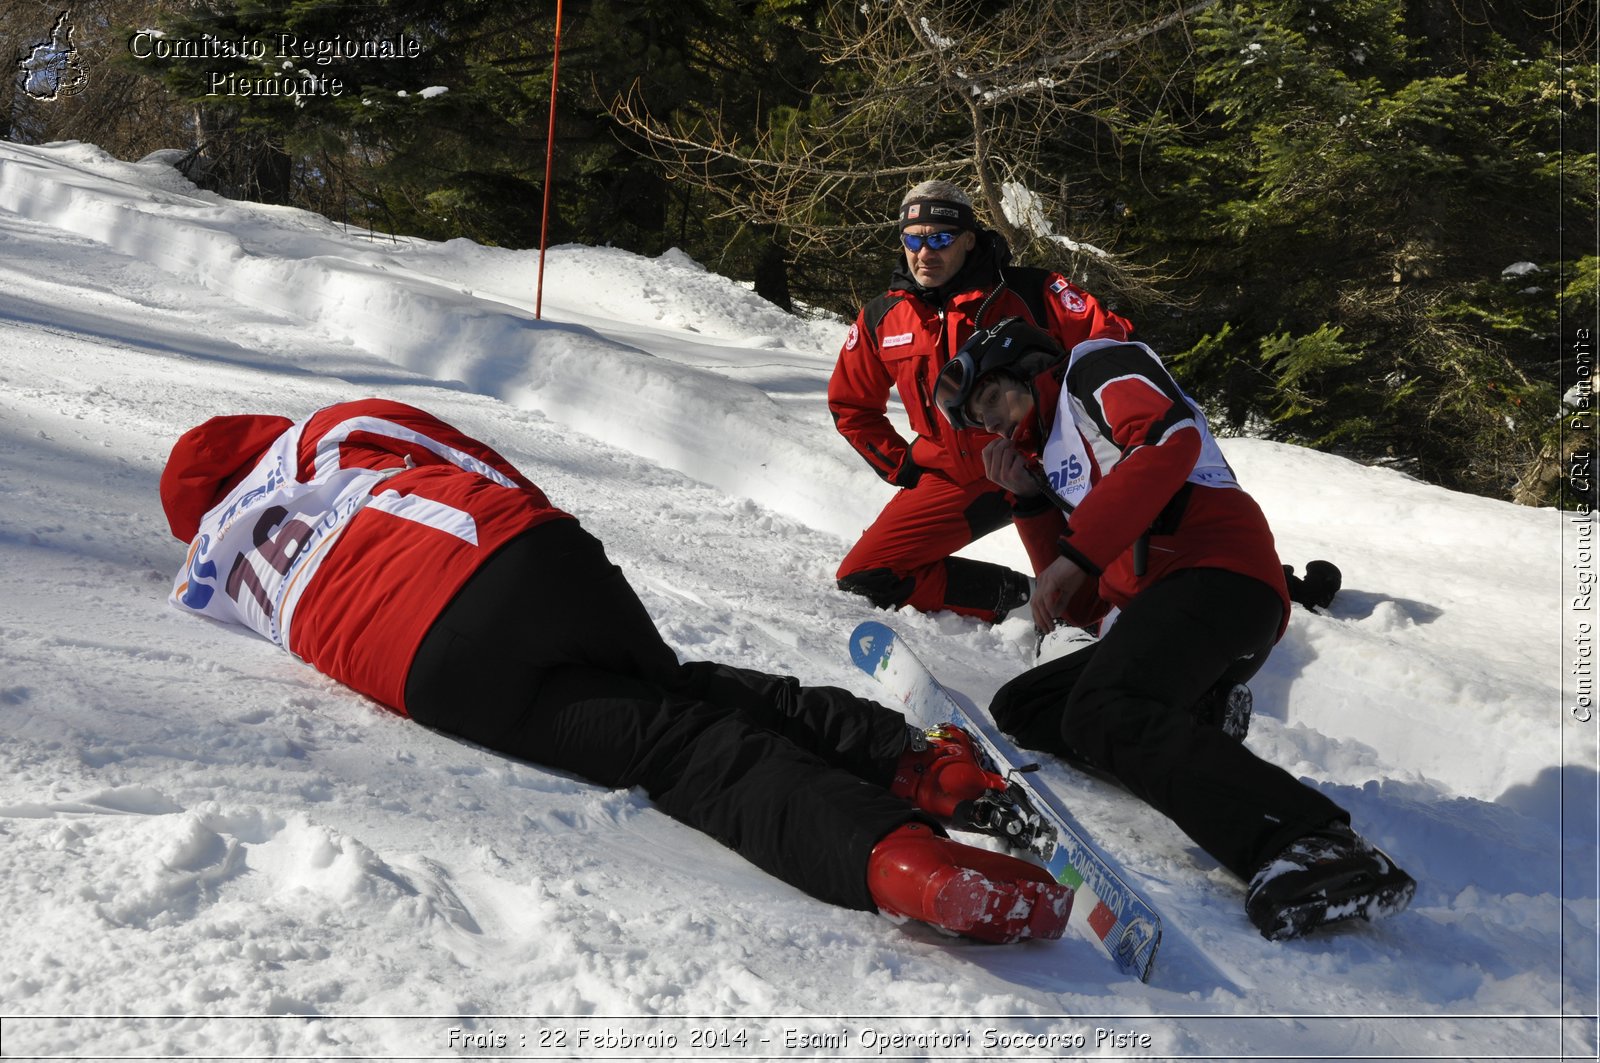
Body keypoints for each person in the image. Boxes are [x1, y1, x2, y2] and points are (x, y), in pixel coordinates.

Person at [158, 397, 1073, 944]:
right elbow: (474, 460)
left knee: (677, 748)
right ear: (258, 434)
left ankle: (906, 868)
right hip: (513, 557)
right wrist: (545, 539)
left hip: (433, 670)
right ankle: (926, 768)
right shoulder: (324, 432)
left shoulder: (213, 576)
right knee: (680, 685)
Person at [931, 318, 1415, 940]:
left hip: (1223, 577)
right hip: (1169, 609)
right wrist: (1028, 499)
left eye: (993, 398)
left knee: (1103, 708)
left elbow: (1170, 443)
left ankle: (1316, 842)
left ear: (1028, 368)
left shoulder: (1095, 367)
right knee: (1032, 705)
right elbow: (1077, 602)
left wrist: (1072, 561)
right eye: (979, 418)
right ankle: (1199, 721)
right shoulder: (1052, 456)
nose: (992, 422)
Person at [827, 179, 1135, 623]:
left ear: (969, 240)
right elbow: (849, 405)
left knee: (1086, 608)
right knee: (866, 575)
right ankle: (1019, 600)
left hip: (1045, 464)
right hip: (958, 479)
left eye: (940, 238)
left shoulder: (1028, 292)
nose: (924, 252)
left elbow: (1114, 341)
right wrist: (902, 464)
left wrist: (1086, 428)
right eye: (913, 239)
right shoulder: (883, 315)